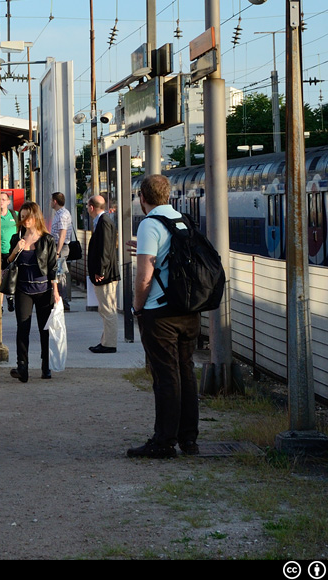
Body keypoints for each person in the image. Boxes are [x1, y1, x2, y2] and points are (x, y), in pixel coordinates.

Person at [128, 174, 199, 459]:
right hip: (189, 310)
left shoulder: (150, 224)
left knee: (166, 376)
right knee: (186, 373)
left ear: (142, 198)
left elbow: (144, 276)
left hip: (161, 312)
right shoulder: (183, 220)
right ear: (168, 195)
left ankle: (164, 441)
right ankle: (189, 439)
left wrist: (137, 306)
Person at [9, 201, 60, 382]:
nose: (24, 221)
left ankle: (46, 365)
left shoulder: (47, 240)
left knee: (44, 329)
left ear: (35, 217)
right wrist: (16, 250)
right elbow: (8, 261)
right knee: (22, 328)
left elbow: (53, 267)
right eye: (21, 218)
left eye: (27, 217)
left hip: (43, 289)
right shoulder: (17, 238)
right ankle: (22, 366)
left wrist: (55, 291)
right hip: (23, 289)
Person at [86, 195, 120, 354]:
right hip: (105, 273)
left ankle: (109, 344)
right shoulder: (104, 220)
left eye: (87, 206)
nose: (87, 209)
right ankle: (105, 341)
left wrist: (101, 270)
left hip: (106, 274)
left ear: (92, 207)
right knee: (105, 309)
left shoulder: (104, 222)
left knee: (108, 310)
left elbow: (106, 248)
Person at [50, 192, 72, 310]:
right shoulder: (60, 213)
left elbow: (62, 233)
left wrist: (57, 251)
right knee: (58, 273)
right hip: (58, 246)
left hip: (60, 247)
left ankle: (64, 302)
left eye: (51, 200)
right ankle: (61, 300)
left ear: (55, 201)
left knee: (60, 273)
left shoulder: (62, 214)